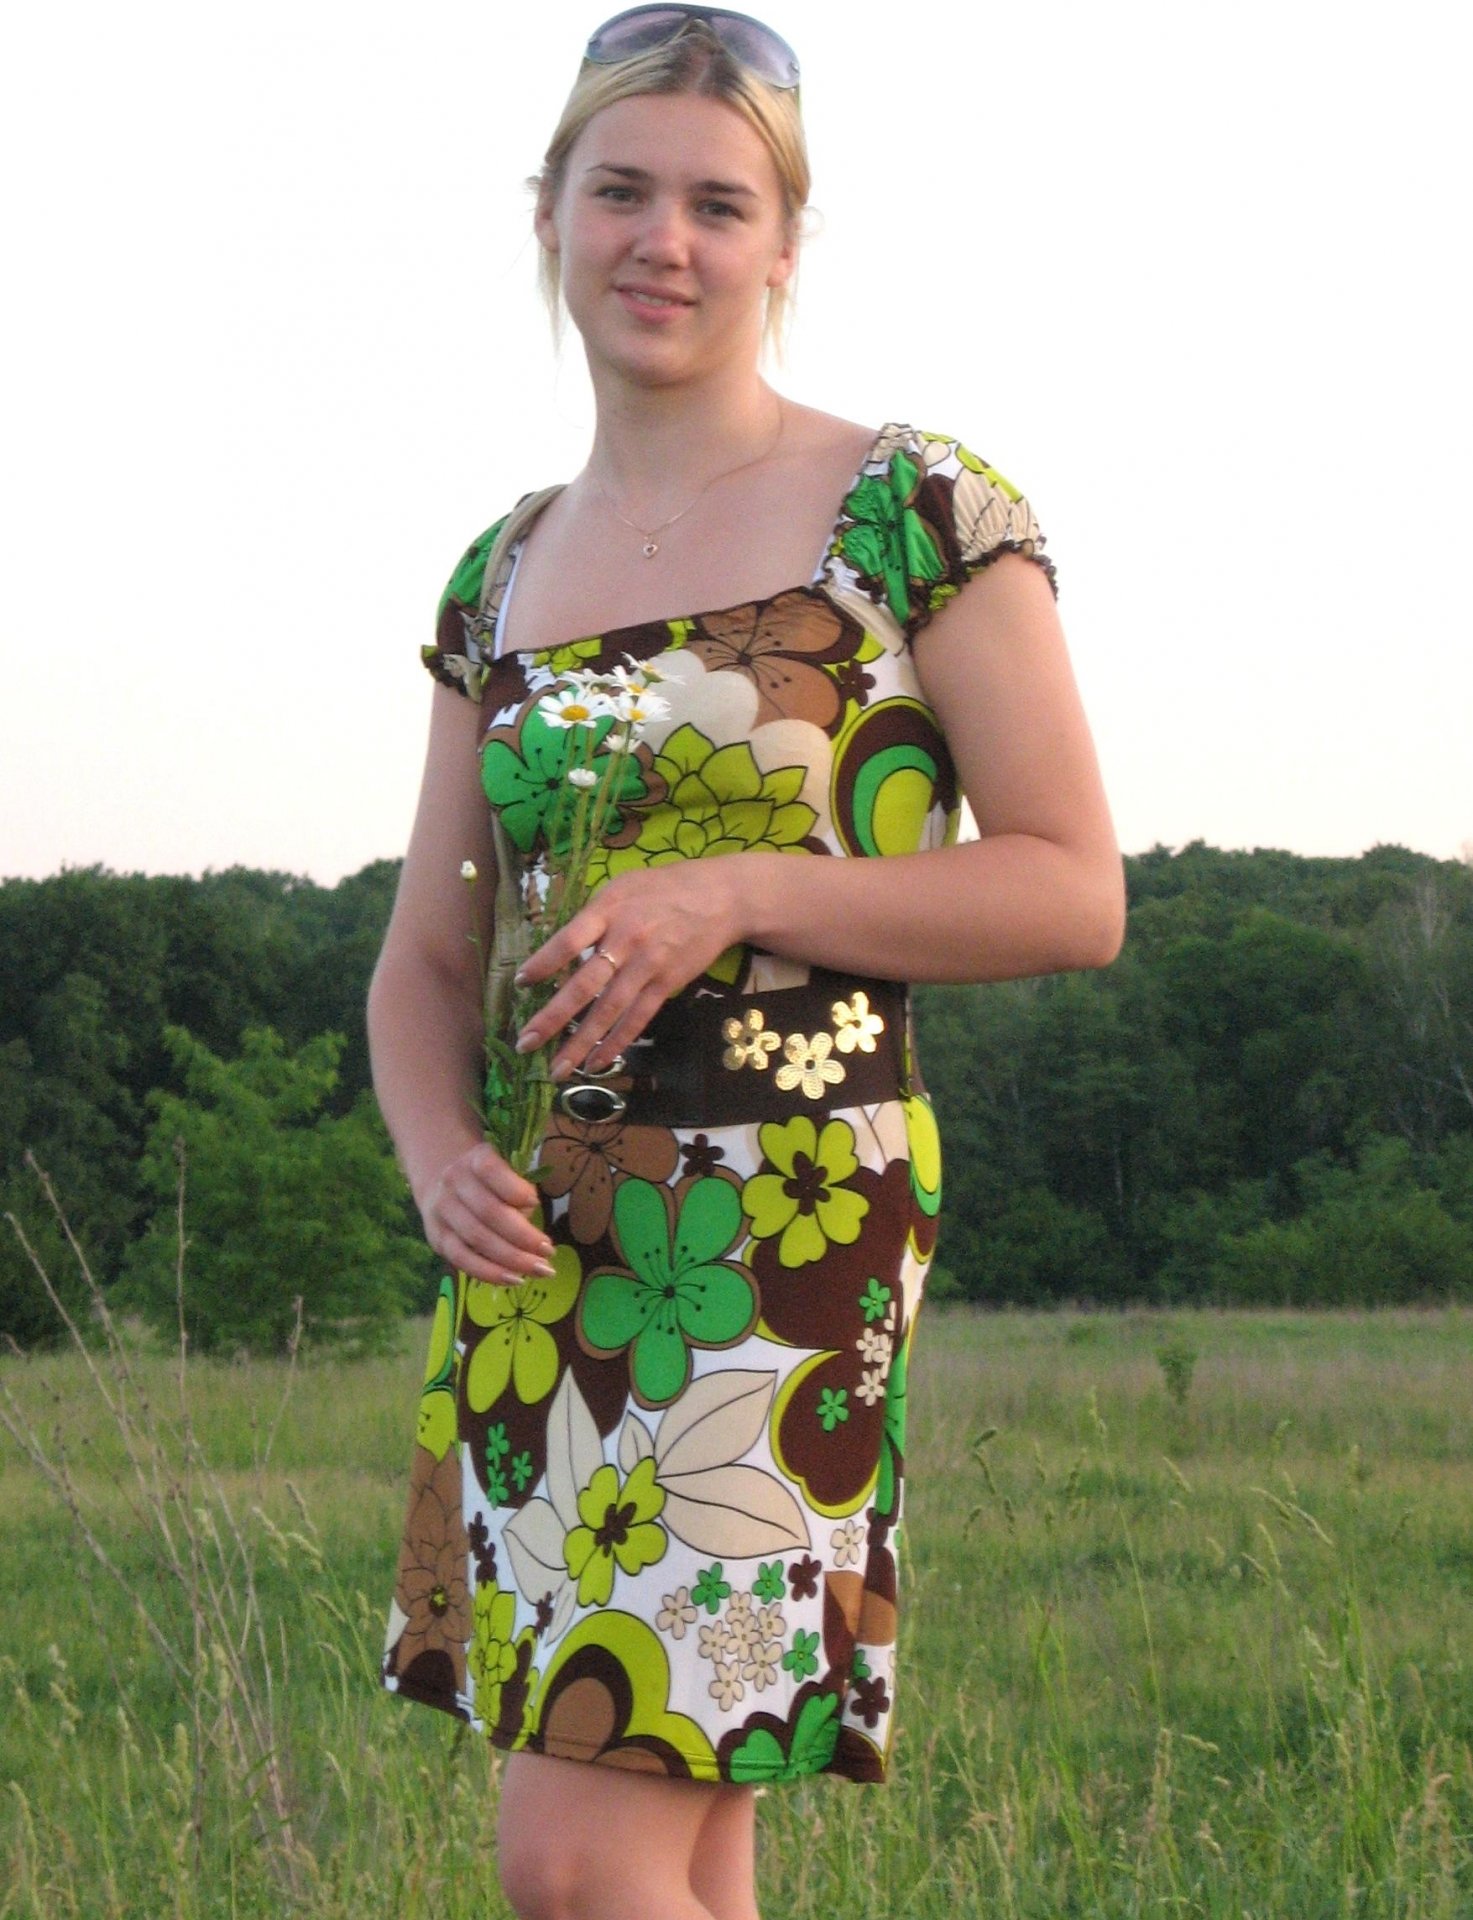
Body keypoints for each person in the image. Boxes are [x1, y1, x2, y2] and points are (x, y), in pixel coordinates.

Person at [368, 8, 1124, 1916]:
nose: (664, 241)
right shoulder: (499, 572)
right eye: (620, 191)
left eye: (718, 204)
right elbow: (428, 953)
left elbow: (1067, 890)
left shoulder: (915, 508)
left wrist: (736, 890)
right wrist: (437, 1154)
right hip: (546, 1244)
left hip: (779, 1212)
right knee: (684, 1843)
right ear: (547, 211)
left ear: (786, 241)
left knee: (573, 1859)